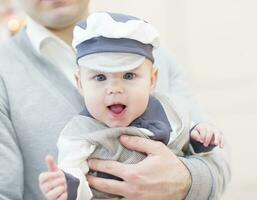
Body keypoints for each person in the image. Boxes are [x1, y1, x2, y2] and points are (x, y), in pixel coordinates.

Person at [0, 0, 231, 199]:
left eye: (129, 75)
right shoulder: (5, 71)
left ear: (152, 79)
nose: (114, 89)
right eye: (99, 77)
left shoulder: (152, 51)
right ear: (80, 81)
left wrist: (185, 179)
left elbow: (216, 158)